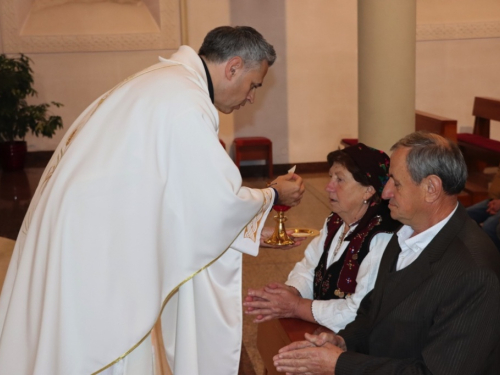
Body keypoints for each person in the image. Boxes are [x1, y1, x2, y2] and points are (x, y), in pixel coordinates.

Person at [0, 26, 305, 375]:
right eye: (254, 85)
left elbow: (179, 198)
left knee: (69, 338)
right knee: (103, 346)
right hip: (96, 248)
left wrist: (247, 231)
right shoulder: (185, 102)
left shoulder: (166, 81)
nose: (251, 97)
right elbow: (217, 202)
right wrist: (274, 194)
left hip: (84, 231)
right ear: (233, 67)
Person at [273, 132, 500, 375]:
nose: (385, 192)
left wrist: (339, 364)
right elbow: (372, 311)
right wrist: (344, 341)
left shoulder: (474, 273)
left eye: (396, 182)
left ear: (431, 188)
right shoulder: (404, 234)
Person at [244, 144, 400, 333]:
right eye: (330, 177)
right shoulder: (336, 221)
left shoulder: (382, 236)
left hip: (357, 342)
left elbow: (358, 311)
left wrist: (296, 306)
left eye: (340, 179)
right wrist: (290, 293)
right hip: (322, 325)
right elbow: (309, 267)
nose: (328, 187)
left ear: (368, 190)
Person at [467, 165, 500, 250]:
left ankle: (493, 260)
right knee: (465, 215)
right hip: (496, 201)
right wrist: (494, 199)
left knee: (489, 227)